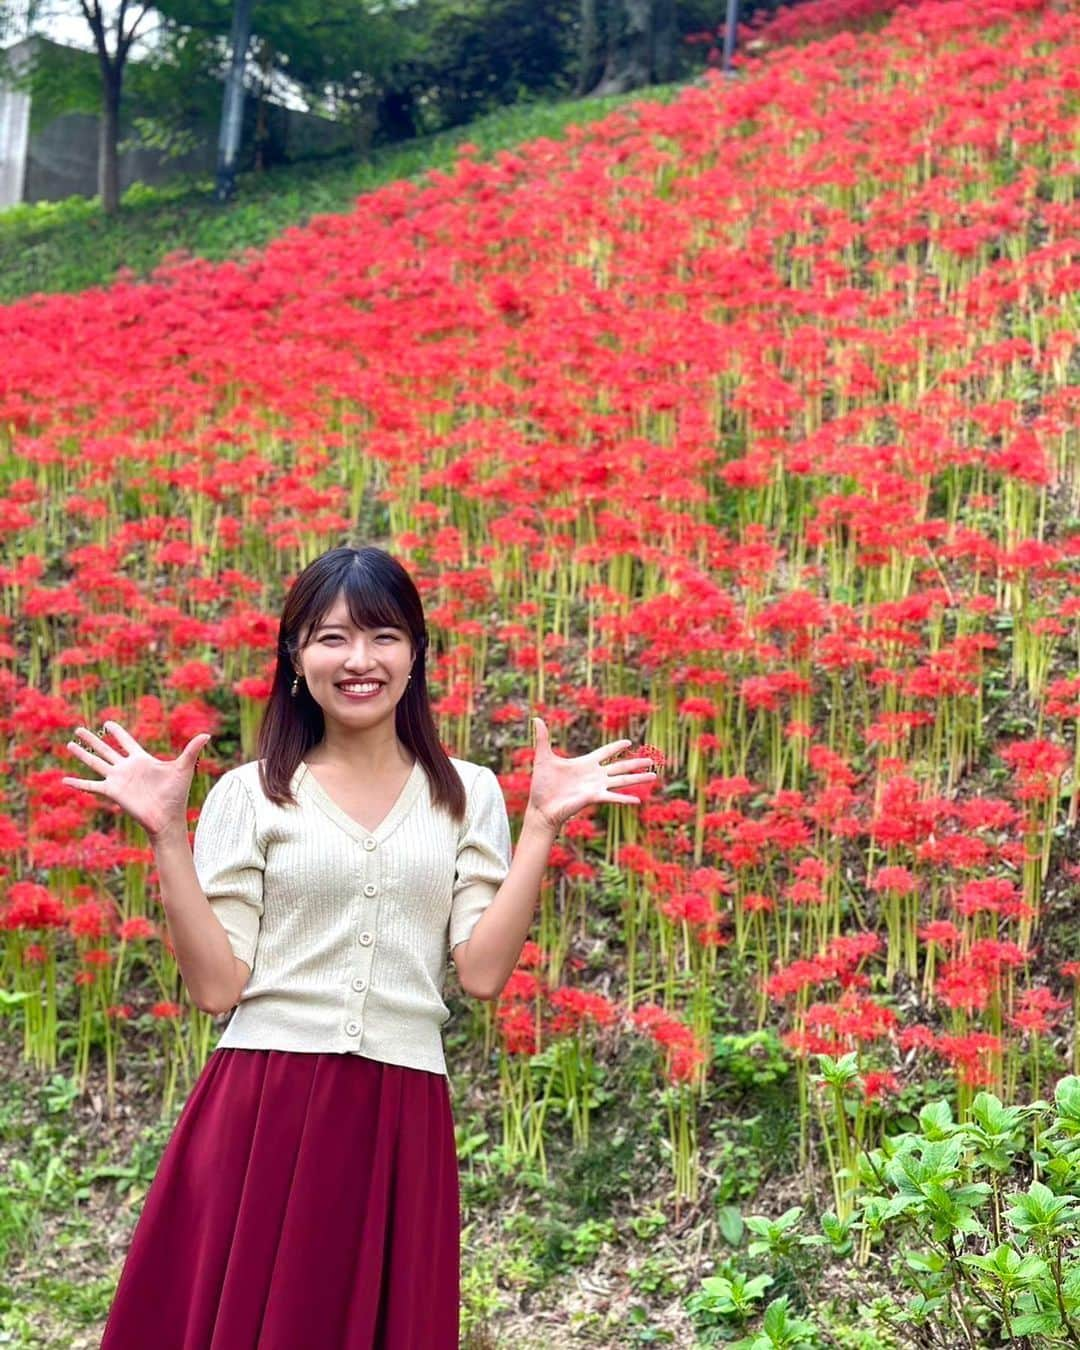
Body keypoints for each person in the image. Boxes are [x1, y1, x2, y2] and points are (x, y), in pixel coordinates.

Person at [62, 544, 657, 1350]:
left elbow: (480, 971)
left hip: (399, 1110)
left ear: (416, 655)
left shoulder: (468, 793)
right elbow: (215, 987)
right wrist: (169, 836)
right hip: (262, 1106)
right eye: (330, 637)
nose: (358, 660)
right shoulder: (251, 792)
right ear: (295, 658)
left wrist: (542, 825)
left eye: (382, 636)